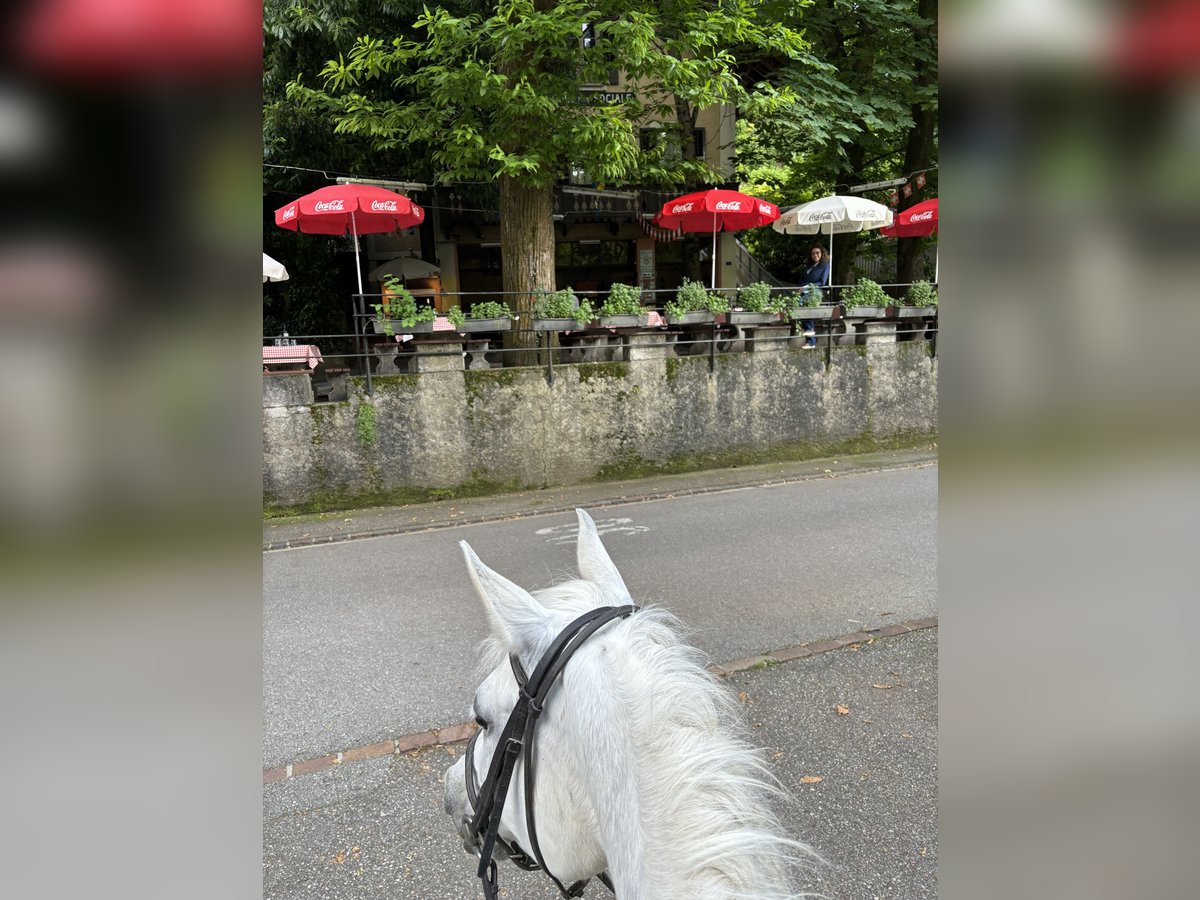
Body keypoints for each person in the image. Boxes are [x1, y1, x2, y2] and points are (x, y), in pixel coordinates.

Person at [798, 244, 830, 348]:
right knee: (798, 305)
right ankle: (810, 338)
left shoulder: (825, 265)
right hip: (804, 293)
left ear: (822, 254)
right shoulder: (809, 267)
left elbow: (822, 282)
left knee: (805, 306)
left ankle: (811, 340)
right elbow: (802, 279)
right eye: (813, 253)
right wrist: (801, 287)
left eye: (817, 253)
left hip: (815, 292)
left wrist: (807, 287)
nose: (815, 255)